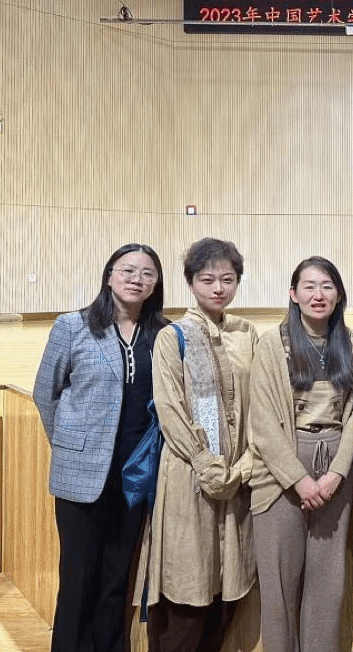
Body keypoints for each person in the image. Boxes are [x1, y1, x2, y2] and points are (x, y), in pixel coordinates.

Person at [33, 243, 168, 652]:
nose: (136, 279)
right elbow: (46, 393)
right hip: (81, 474)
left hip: (135, 477)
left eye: (147, 273)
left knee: (115, 579)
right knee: (78, 578)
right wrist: (70, 447)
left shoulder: (162, 334)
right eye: (127, 270)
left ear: (155, 284)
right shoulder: (72, 326)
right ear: (109, 276)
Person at [249, 257, 353, 652]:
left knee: (327, 583)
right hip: (280, 469)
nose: (319, 295)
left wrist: (337, 472)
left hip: (335, 464)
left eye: (327, 286)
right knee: (279, 586)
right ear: (293, 294)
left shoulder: (352, 343)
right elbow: (262, 419)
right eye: (310, 286)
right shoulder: (273, 343)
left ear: (339, 295)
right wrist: (298, 479)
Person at [144, 238, 258, 652]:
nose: (218, 288)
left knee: (225, 594)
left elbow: (261, 404)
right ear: (191, 283)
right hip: (189, 479)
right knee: (187, 590)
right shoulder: (171, 337)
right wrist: (207, 466)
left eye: (227, 279)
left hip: (238, 480)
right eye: (207, 279)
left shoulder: (246, 334)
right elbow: (170, 409)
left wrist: (242, 467)